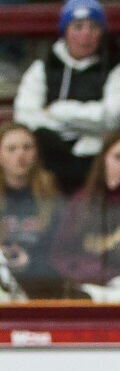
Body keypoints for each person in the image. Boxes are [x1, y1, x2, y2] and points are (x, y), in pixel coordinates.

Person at [11, 0, 120, 194]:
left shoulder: (118, 68)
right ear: (65, 31)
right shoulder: (43, 66)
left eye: (93, 27)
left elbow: (113, 117)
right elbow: (25, 116)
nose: (86, 34)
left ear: (102, 32)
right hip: (51, 153)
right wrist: (86, 126)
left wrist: (58, 111)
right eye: (78, 27)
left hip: (97, 154)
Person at [49, 129, 120, 298]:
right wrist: (85, 272)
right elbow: (61, 253)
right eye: (118, 157)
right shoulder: (82, 200)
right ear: (104, 161)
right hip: (86, 281)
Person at [0, 122, 63, 299]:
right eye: (11, 149)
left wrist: (31, 262)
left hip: (40, 279)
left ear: (36, 153)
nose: (20, 154)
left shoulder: (52, 194)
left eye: (27, 147)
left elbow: (60, 248)